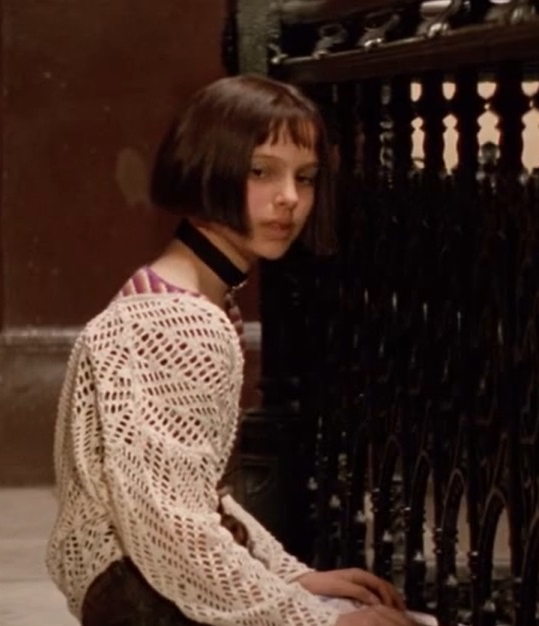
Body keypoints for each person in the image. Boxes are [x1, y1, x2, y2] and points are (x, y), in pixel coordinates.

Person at [46, 73, 410, 626]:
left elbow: (192, 495)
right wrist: (316, 619)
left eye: (305, 177)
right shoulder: (179, 322)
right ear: (209, 167)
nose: (290, 198)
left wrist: (291, 575)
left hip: (144, 586)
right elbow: (174, 529)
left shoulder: (180, 293)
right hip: (145, 600)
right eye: (261, 171)